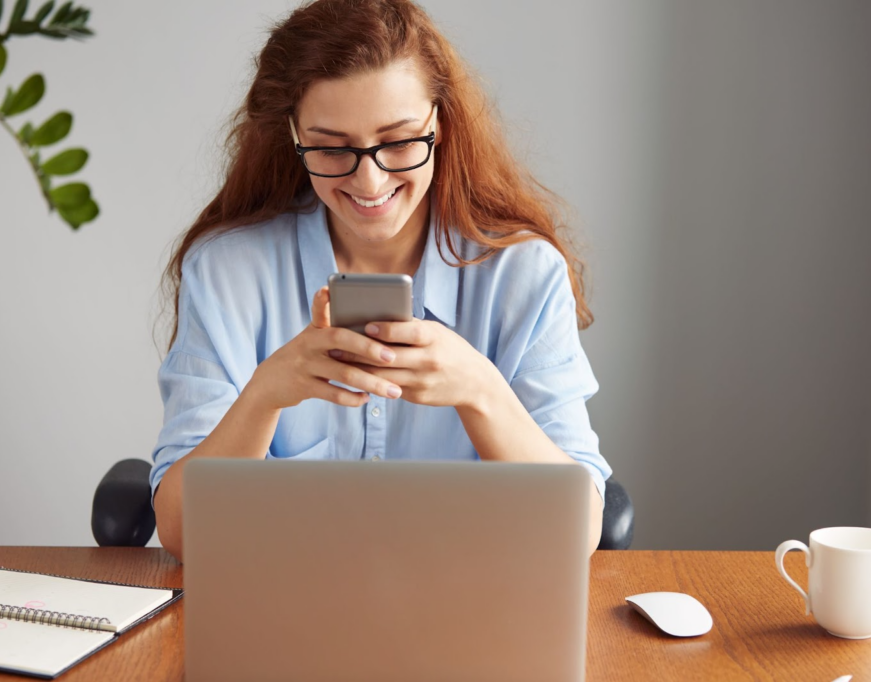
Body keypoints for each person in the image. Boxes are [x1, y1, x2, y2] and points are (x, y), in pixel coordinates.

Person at [150, 0, 612, 562]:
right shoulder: (227, 271)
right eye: (331, 146)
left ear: (439, 123)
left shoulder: (524, 275)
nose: (369, 180)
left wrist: (480, 390)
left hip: (466, 616)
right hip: (285, 611)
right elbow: (179, 534)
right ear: (294, 135)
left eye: (397, 141)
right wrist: (266, 395)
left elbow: (577, 534)